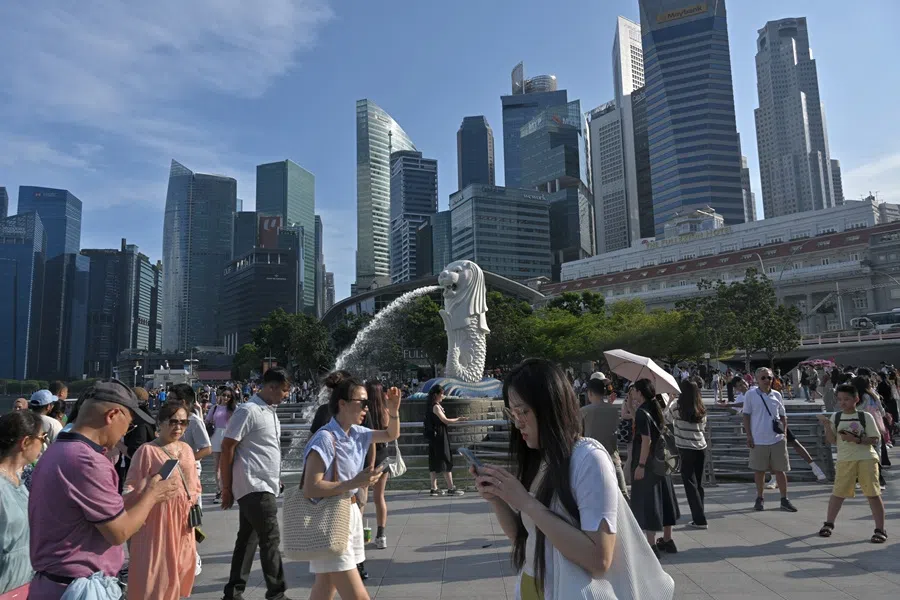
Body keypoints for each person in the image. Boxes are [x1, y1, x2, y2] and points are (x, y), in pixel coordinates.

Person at [473, 359, 629, 599]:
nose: (517, 422)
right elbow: (525, 537)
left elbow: (600, 559)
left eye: (524, 411)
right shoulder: (540, 458)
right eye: (512, 412)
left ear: (550, 406)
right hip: (532, 585)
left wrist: (525, 502)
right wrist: (498, 498)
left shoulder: (589, 458)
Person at [28, 379, 180, 599]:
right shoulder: (89, 461)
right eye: (129, 425)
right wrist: (153, 495)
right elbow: (119, 532)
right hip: (78, 589)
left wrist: (139, 495)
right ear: (112, 416)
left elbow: (93, 516)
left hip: (51, 584)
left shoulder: (58, 449)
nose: (125, 433)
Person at [301, 372, 402, 600]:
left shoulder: (356, 433)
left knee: (325, 588)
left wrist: (393, 410)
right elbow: (310, 488)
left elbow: (390, 434)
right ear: (343, 404)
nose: (367, 407)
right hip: (330, 519)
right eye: (362, 402)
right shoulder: (325, 439)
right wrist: (355, 482)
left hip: (350, 511)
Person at [221, 368, 292, 600]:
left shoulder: (269, 411)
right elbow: (228, 447)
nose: (285, 395)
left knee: (247, 539)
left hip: (265, 484)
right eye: (283, 390)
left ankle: (233, 592)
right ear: (271, 387)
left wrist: (276, 477)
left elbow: (264, 450)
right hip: (254, 486)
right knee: (270, 538)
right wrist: (226, 487)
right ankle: (276, 593)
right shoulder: (248, 411)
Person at [124, 401, 202, 599]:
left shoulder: (186, 449)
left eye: (183, 423)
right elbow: (131, 488)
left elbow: (194, 483)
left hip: (183, 520)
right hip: (156, 519)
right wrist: (148, 489)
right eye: (173, 421)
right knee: (156, 572)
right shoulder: (146, 451)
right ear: (161, 422)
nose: (178, 427)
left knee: (181, 566)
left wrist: (192, 500)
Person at [816, 384, 887, 543]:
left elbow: (875, 439)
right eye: (840, 399)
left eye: (846, 399)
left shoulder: (865, 417)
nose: (843, 402)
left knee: (873, 494)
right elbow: (832, 440)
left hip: (866, 459)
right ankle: (828, 524)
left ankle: (880, 529)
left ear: (856, 399)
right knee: (838, 493)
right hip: (845, 460)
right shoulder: (836, 416)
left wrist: (856, 439)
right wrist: (827, 425)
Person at [629, 379, 681, 557]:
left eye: (634, 390)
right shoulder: (656, 408)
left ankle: (651, 545)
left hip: (648, 463)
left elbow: (646, 440)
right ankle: (668, 539)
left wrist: (641, 465)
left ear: (640, 392)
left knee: (649, 502)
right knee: (666, 499)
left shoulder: (643, 413)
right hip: (662, 461)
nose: (632, 392)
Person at [0, 410, 44, 594]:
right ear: (26, 442)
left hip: (21, 587)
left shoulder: (18, 480)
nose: (43, 444)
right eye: (43, 438)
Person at [743, 367, 798, 513]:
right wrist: (749, 435)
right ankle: (760, 498)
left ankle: (784, 499)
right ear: (756, 380)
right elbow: (746, 416)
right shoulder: (750, 395)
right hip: (758, 438)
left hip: (777, 439)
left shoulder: (777, 395)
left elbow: (783, 415)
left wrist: (784, 433)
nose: (767, 380)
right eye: (763, 378)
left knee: (780, 470)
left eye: (769, 377)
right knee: (759, 470)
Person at [666, 380, 708, 529]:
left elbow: (666, 419)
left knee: (689, 483)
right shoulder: (701, 407)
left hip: (685, 448)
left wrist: (670, 400)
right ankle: (699, 513)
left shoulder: (676, 407)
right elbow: (703, 426)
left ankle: (700, 519)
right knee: (698, 483)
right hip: (701, 447)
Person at [581, 376, 628, 498]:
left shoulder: (584, 411)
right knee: (622, 495)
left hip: (593, 458)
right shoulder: (613, 410)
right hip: (613, 457)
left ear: (590, 393)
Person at [365, 381, 392, 550]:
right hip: (383, 456)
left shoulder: (364, 412)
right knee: (379, 497)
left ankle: (356, 534)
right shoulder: (385, 412)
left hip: (365, 457)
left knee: (360, 498)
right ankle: (381, 535)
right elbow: (390, 433)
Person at [425, 385, 467, 496]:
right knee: (446, 459)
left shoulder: (431, 406)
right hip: (440, 436)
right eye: (442, 394)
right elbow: (445, 421)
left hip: (434, 437)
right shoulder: (435, 407)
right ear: (437, 395)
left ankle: (434, 488)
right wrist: (459, 419)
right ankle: (450, 488)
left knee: (434, 461)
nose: (443, 396)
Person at [207, 386, 237, 504]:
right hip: (216, 436)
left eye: (228, 396)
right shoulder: (214, 408)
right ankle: (219, 490)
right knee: (217, 467)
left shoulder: (234, 409)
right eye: (224, 395)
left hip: (229, 436)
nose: (225, 397)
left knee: (230, 465)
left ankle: (229, 489)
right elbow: (207, 421)